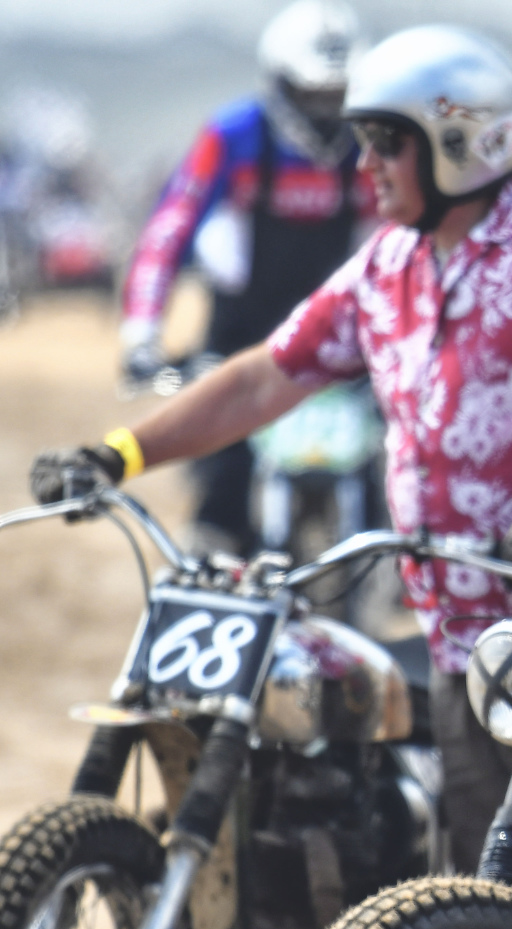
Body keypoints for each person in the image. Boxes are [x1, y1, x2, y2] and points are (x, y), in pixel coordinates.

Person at [32, 26, 512, 870]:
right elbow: (263, 379)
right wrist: (118, 453)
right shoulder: (388, 267)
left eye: (385, 144)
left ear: (460, 144)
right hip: (454, 637)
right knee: (477, 881)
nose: (361, 167)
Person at [120, 0, 373, 557]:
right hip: (239, 340)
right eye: (312, 94)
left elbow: (405, 243)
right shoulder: (233, 136)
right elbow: (167, 235)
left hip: (339, 342)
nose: (326, 109)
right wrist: (140, 336)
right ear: (279, 83)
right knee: (221, 489)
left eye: (339, 94)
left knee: (395, 467)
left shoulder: (372, 145)